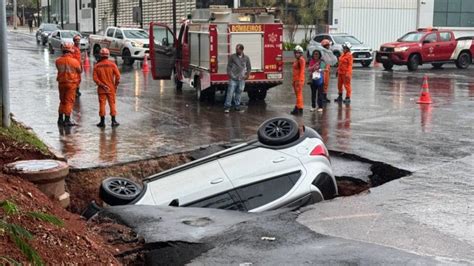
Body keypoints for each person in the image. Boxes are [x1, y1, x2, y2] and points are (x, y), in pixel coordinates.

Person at [93, 48, 121, 128]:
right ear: (108, 55)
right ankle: (113, 121)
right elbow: (118, 77)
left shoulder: (97, 66)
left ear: (100, 55)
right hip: (111, 88)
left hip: (101, 89)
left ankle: (102, 122)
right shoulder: (112, 64)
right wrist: (115, 86)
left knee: (102, 104)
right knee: (112, 103)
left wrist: (101, 84)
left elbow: (95, 78)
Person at [55, 43, 82, 127]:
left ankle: (60, 119)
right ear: (71, 51)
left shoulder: (58, 61)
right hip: (71, 84)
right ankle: (67, 120)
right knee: (69, 101)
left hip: (61, 83)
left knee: (62, 101)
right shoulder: (74, 61)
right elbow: (79, 71)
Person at [225, 44, 251, 113]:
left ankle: (237, 106)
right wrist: (230, 75)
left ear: (242, 50)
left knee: (239, 92)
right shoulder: (232, 57)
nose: (236, 50)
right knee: (230, 93)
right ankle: (227, 107)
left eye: (238, 49)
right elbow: (228, 67)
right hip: (233, 79)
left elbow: (249, 68)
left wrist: (247, 76)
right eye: (236, 49)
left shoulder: (246, 58)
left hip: (242, 79)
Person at [291, 45, 306, 115]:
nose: (296, 54)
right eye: (296, 53)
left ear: (301, 53)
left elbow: (302, 71)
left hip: (299, 80)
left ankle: (300, 109)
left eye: (298, 53)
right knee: (297, 95)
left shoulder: (301, 60)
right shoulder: (297, 60)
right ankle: (297, 108)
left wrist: (299, 81)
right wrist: (293, 81)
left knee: (299, 95)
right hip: (295, 80)